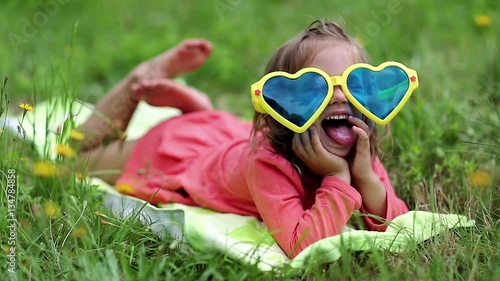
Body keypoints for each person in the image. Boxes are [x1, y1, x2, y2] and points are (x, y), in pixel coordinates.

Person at [79, 20, 409, 258]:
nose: (340, 97)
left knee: (212, 133)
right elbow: (303, 244)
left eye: (353, 84)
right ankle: (139, 79)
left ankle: (198, 111)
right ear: (284, 108)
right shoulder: (268, 162)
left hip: (221, 138)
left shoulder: (356, 146)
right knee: (75, 158)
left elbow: (396, 225)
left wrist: (364, 177)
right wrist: (338, 177)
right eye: (316, 88)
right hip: (178, 150)